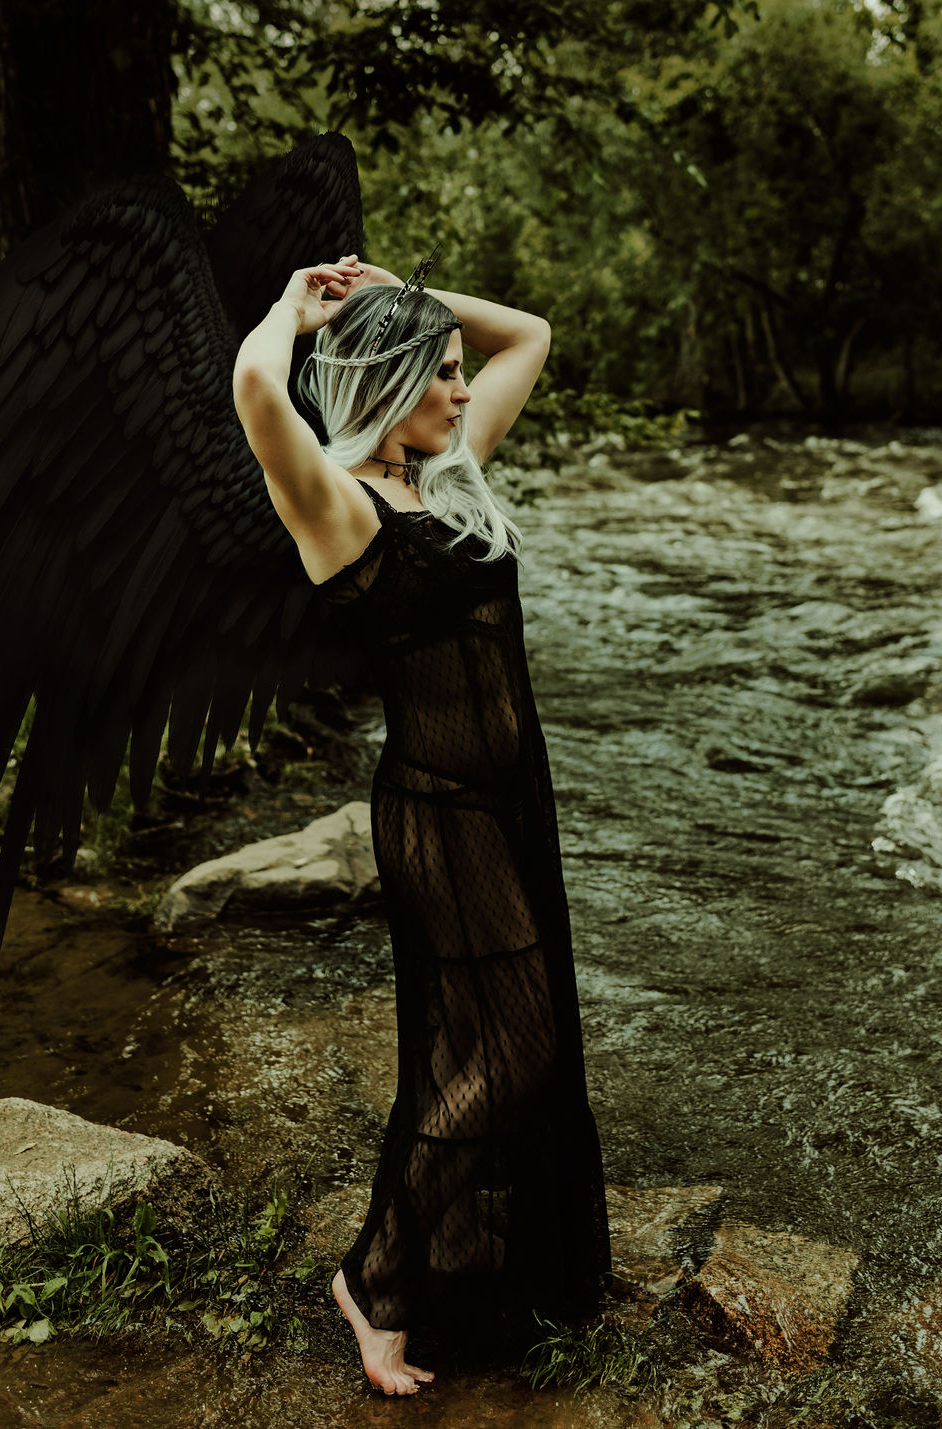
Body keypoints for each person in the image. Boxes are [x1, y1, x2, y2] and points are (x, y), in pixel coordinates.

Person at [232, 254, 610, 1396]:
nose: (459, 388)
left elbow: (530, 335)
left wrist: (415, 292)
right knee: (506, 1047)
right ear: (387, 382)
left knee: (491, 1043)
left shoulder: (446, 480)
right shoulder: (339, 506)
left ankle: (448, 1250)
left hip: (508, 806)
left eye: (454, 372)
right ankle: (378, 1279)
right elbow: (258, 392)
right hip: (440, 816)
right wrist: (293, 313)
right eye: (437, 372)